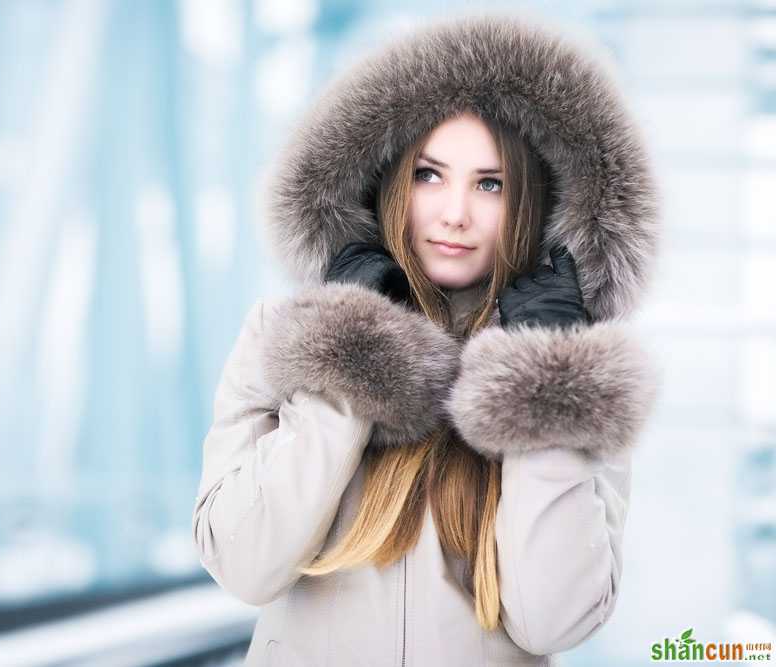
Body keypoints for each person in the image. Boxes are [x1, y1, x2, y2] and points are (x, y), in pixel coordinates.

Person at [192, 11, 662, 667]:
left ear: (533, 201)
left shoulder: (580, 373)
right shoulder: (282, 336)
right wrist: (350, 355)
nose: (455, 212)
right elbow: (244, 564)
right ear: (388, 178)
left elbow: (553, 619)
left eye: (490, 184)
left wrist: (545, 387)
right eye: (429, 174)